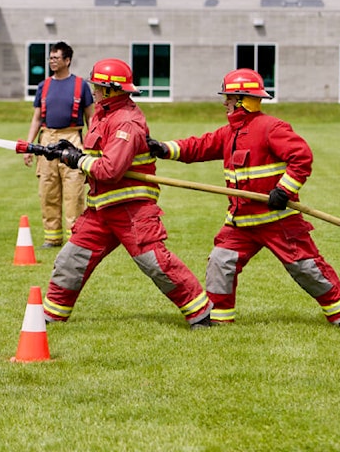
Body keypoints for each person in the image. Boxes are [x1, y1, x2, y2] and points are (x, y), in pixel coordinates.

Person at [149, 69, 340, 330]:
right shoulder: (230, 132)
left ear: (241, 99)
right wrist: (165, 149)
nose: (224, 102)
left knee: (306, 268)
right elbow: (200, 146)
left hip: (277, 220)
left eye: (228, 97)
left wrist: (283, 190)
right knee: (220, 262)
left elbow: (301, 157)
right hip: (241, 223)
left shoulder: (272, 128)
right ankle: (219, 321)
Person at [40, 58, 213, 330]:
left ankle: (200, 314)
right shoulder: (103, 114)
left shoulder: (127, 121)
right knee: (70, 260)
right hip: (100, 211)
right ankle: (51, 317)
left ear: (111, 90)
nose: (93, 91)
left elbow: (110, 171)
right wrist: (70, 152)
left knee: (156, 264)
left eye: (98, 86)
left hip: (131, 210)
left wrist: (77, 160)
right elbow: (98, 157)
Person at [22, 42, 95, 248]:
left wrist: (93, 148)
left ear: (67, 60)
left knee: (74, 193)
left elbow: (92, 119)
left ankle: (75, 238)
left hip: (72, 139)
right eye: (50, 58)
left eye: (56, 57)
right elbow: (36, 119)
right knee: (48, 191)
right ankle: (52, 238)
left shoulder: (81, 86)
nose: (52, 61)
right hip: (47, 139)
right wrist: (28, 146)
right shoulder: (43, 86)